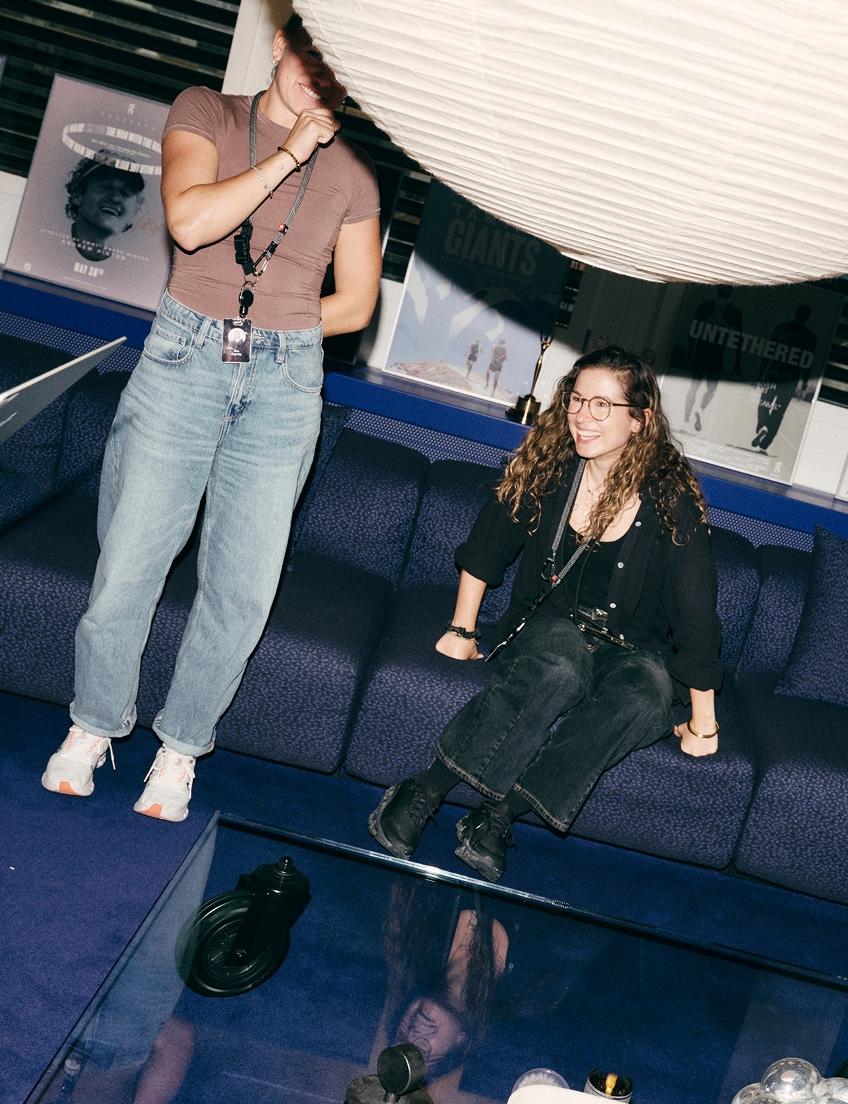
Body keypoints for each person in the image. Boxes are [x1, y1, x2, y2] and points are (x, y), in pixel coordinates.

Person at [41, 13, 382, 821]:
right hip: (182, 360)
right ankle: (93, 727)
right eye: (310, 56)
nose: (319, 78)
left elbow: (359, 303)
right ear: (278, 45)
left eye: (338, 72)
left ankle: (181, 748)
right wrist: (292, 151)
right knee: (129, 561)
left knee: (241, 588)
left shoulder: (359, 177)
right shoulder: (207, 111)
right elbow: (191, 222)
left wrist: (279, 329)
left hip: (286, 382)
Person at [368, 346, 722, 882]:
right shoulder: (550, 467)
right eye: (578, 399)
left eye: (604, 406)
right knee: (561, 664)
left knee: (649, 690)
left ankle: (496, 817)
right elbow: (487, 547)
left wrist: (703, 722)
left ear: (640, 420)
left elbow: (697, 617)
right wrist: (462, 629)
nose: (583, 415)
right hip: (547, 630)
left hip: (629, 649)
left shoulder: (672, 502)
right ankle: (425, 789)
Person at [751, 304, 816, 452]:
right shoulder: (810, 337)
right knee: (779, 411)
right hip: (790, 379)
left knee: (764, 404)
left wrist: (761, 374)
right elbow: (808, 362)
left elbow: (769, 352)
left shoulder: (781, 328)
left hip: (773, 375)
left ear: (796, 313)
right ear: (806, 317)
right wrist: (805, 382)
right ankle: (766, 440)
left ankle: (764, 424)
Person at [65, 154, 146, 262]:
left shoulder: (136, 270)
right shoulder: (41, 242)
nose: (116, 198)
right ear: (77, 195)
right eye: (106, 187)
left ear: (134, 213)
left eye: (125, 193)